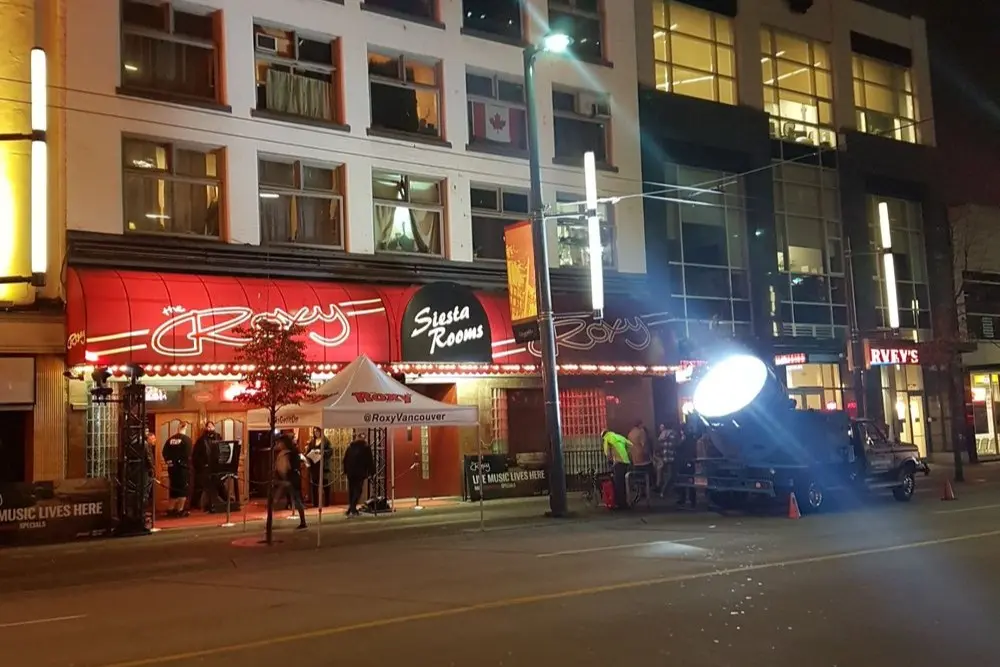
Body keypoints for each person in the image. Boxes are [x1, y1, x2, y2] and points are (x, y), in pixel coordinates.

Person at [274, 434, 307, 529]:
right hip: (287, 480)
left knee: (296, 500)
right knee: (278, 499)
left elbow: (288, 467)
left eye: (280, 443)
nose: (278, 444)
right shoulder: (288, 453)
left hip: (291, 479)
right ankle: (273, 522)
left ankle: (303, 522)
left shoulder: (290, 453)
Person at [162, 423, 192, 517]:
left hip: (172, 468)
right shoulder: (186, 440)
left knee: (173, 489)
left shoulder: (170, 439)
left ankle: (170, 509)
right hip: (182, 468)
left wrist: (169, 462)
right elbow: (188, 453)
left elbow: (164, 452)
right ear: (185, 428)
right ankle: (180, 510)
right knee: (183, 489)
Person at [343, 432, 374, 516]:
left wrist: (345, 470)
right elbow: (369, 460)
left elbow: (345, 459)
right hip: (360, 472)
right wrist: (372, 472)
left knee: (351, 491)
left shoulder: (350, 446)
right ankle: (352, 508)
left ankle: (351, 509)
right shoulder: (366, 447)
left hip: (350, 472)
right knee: (358, 490)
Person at [192, 421, 221, 512]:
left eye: (211, 427)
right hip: (204, 467)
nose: (209, 429)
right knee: (200, 487)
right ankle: (198, 504)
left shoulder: (219, 438)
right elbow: (196, 455)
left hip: (216, 467)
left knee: (217, 485)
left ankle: (216, 502)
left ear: (214, 427)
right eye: (208, 427)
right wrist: (201, 465)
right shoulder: (201, 440)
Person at [601, 429, 631, 510]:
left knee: (618, 484)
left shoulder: (607, 438)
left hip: (618, 463)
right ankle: (625, 502)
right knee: (624, 483)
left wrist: (612, 460)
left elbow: (607, 452)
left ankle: (621, 504)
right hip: (626, 462)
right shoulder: (619, 436)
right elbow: (630, 444)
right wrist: (626, 454)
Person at [306, 427, 333, 508]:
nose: (316, 433)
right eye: (314, 432)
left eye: (317, 431)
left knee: (325, 484)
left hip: (323, 464)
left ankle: (327, 502)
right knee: (314, 485)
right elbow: (308, 451)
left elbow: (330, 450)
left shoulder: (326, 441)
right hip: (315, 465)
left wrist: (322, 452)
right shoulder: (312, 442)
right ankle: (315, 503)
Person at [627, 420, 654, 502]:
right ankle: (647, 491)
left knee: (638, 476)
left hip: (634, 458)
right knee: (648, 474)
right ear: (640, 424)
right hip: (643, 457)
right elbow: (644, 444)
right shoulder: (641, 432)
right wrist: (649, 455)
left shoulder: (630, 433)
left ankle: (640, 491)